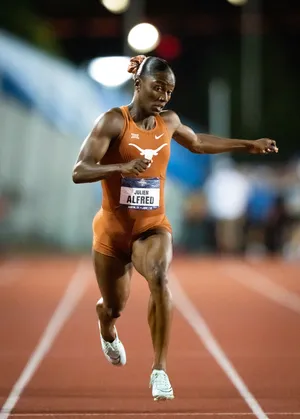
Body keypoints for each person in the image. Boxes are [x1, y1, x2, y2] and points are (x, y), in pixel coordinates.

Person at [72, 54, 278, 401]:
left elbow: (197, 143)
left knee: (159, 277)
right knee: (114, 306)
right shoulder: (112, 122)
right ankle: (106, 324)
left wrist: (247, 144)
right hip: (112, 232)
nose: (164, 97)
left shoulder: (169, 122)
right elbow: (80, 170)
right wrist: (122, 166)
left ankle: (159, 370)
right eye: (158, 88)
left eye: (169, 91)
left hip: (153, 227)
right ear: (138, 84)